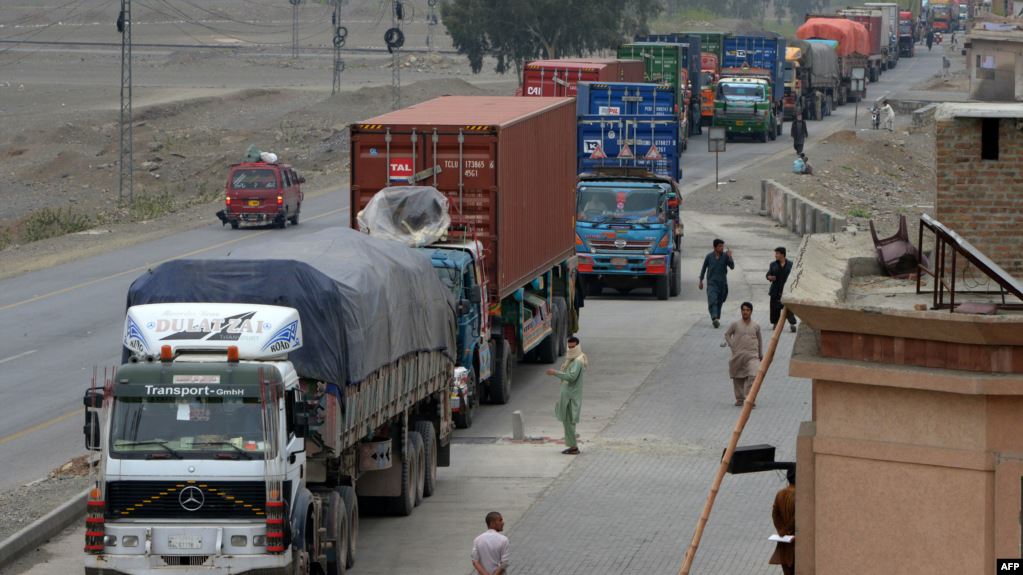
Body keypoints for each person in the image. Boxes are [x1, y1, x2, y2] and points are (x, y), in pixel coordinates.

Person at [546, 336, 587, 455]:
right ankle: (571, 446)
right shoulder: (572, 359)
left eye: (573, 347)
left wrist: (555, 373)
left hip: (571, 398)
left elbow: (571, 377)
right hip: (568, 397)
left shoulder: (577, 361)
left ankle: (574, 448)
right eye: (569, 347)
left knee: (569, 423)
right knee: (567, 422)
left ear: (578, 346)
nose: (571, 349)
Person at [724, 302, 763, 407]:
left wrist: (760, 354)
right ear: (741, 311)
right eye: (743, 310)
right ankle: (740, 399)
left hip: (752, 356)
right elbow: (727, 335)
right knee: (738, 377)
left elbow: (759, 340)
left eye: (747, 310)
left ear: (751, 311)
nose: (745, 312)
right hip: (738, 355)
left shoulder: (756, 326)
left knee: (753, 375)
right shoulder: (735, 325)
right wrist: (733, 346)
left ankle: (749, 398)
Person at [699, 239, 735, 328]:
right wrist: (701, 280)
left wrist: (730, 257)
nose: (722, 248)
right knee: (712, 300)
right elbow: (703, 269)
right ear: (714, 247)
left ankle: (717, 318)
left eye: (722, 246)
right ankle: (714, 317)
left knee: (719, 301)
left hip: (722, 284)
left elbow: (732, 267)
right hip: (712, 283)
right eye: (719, 246)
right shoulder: (709, 257)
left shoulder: (725, 256)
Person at [769, 469, 796, 575]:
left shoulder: (780, 494)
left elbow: (775, 515)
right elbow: (798, 517)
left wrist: (781, 531)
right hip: (795, 542)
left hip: (784, 541)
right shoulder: (800, 495)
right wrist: (788, 530)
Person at [766, 246, 798, 332]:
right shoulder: (773, 265)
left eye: (777, 253)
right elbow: (768, 275)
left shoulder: (791, 265)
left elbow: (795, 276)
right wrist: (770, 277)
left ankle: (792, 324)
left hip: (786, 291)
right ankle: (775, 324)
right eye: (775, 253)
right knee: (774, 308)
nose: (775, 255)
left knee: (788, 309)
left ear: (782, 254)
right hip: (775, 291)